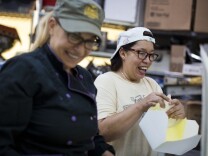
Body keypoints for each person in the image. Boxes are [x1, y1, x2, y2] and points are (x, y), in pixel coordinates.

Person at [0, 0, 115, 155]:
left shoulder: (84, 77)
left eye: (90, 41)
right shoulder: (24, 70)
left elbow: (89, 137)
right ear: (52, 25)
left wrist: (104, 152)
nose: (81, 50)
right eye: (74, 36)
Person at [94, 27, 186, 156]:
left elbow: (167, 137)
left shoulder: (152, 85)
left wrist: (178, 119)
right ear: (123, 53)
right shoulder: (107, 81)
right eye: (141, 53)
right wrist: (140, 106)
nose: (148, 60)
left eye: (151, 55)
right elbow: (103, 133)